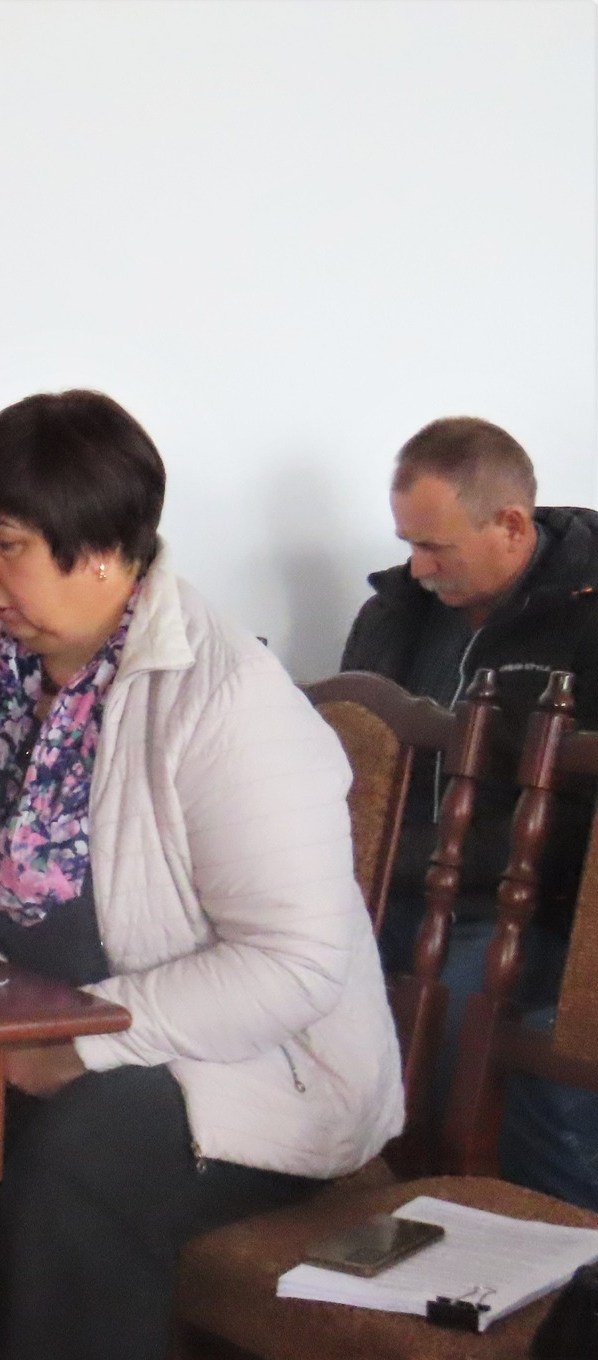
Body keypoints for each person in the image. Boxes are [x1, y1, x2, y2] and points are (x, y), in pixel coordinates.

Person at [0, 390, 403, 1360]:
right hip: (20, 1041)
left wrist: (71, 1042)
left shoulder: (227, 702)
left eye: (7, 544)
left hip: (244, 1075)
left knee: (80, 1158)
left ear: (103, 549)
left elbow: (293, 963)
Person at [341, 415, 598, 1209]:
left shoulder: (587, 617)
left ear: (511, 524)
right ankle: (338, 1197)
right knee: (292, 971)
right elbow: (355, 767)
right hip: (391, 887)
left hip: (529, 908)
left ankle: (477, 1214)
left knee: (454, 1000)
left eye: (436, 547)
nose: (417, 569)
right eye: (409, 544)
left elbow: (579, 822)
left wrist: (437, 858)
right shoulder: (394, 613)